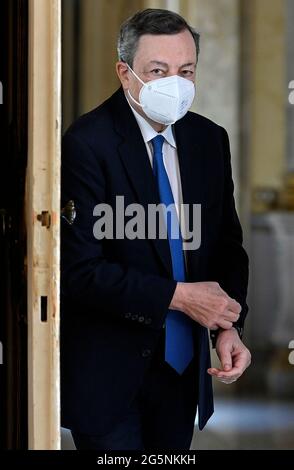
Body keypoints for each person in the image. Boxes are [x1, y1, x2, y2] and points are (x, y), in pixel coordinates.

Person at [60, 8, 251, 450]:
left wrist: (227, 324)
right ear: (125, 75)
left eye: (186, 70)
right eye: (158, 71)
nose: (176, 83)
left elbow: (227, 245)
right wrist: (181, 297)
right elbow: (79, 270)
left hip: (182, 371)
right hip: (110, 371)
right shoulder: (86, 143)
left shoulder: (209, 139)